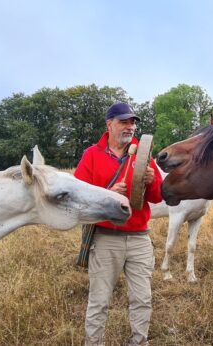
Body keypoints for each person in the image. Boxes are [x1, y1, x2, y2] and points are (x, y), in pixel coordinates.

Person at [74, 102, 163, 346]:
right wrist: (108, 193)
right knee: (99, 300)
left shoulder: (143, 153)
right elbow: (79, 196)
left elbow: (156, 197)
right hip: (105, 238)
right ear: (109, 124)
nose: (130, 126)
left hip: (139, 238)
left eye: (133, 122)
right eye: (124, 121)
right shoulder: (92, 154)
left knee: (142, 299)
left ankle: (139, 342)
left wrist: (152, 180)